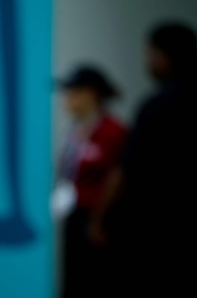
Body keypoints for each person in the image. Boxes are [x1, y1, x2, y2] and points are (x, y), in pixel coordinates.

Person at [92, 23, 197, 296]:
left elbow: (124, 170)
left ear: (162, 56)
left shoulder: (156, 106)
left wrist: (99, 219)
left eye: (149, 53)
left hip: (153, 230)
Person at [55, 66, 127, 298]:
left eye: (73, 91)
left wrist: (99, 221)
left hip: (101, 225)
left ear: (91, 94)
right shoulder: (73, 131)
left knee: (96, 283)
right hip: (74, 220)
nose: (67, 98)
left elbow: (119, 179)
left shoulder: (113, 132)